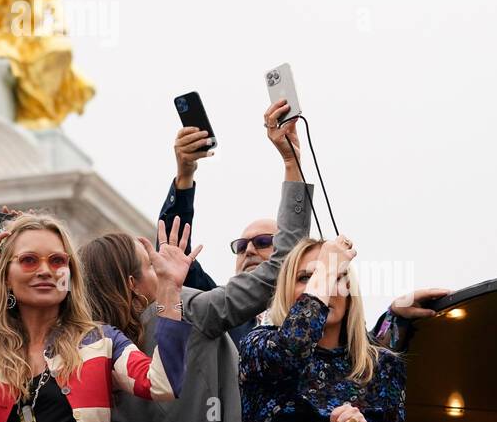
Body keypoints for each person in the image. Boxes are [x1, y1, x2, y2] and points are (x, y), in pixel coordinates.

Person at [81, 100, 312, 422]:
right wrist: (290, 163)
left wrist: (185, 176)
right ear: (131, 283)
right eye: (151, 264)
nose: (163, 268)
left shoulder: (81, 349)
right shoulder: (189, 310)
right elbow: (282, 265)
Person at [162, 103, 450, 349]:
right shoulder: (222, 310)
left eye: (263, 241)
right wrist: (184, 175)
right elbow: (173, 254)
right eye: (240, 246)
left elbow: (360, 361)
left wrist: (394, 316)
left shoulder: (324, 314)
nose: (249, 249)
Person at [0, 212, 196, 422]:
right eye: (29, 260)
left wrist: (170, 291)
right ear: (7, 277)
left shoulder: (102, 341)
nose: (45, 270)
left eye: (57, 260)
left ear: (70, 276)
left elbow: (163, 384)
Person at [239, 235, 407, 422]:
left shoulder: (382, 365)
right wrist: (326, 272)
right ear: (287, 291)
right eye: (305, 277)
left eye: (335, 277)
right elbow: (292, 349)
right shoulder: (259, 344)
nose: (324, 288)